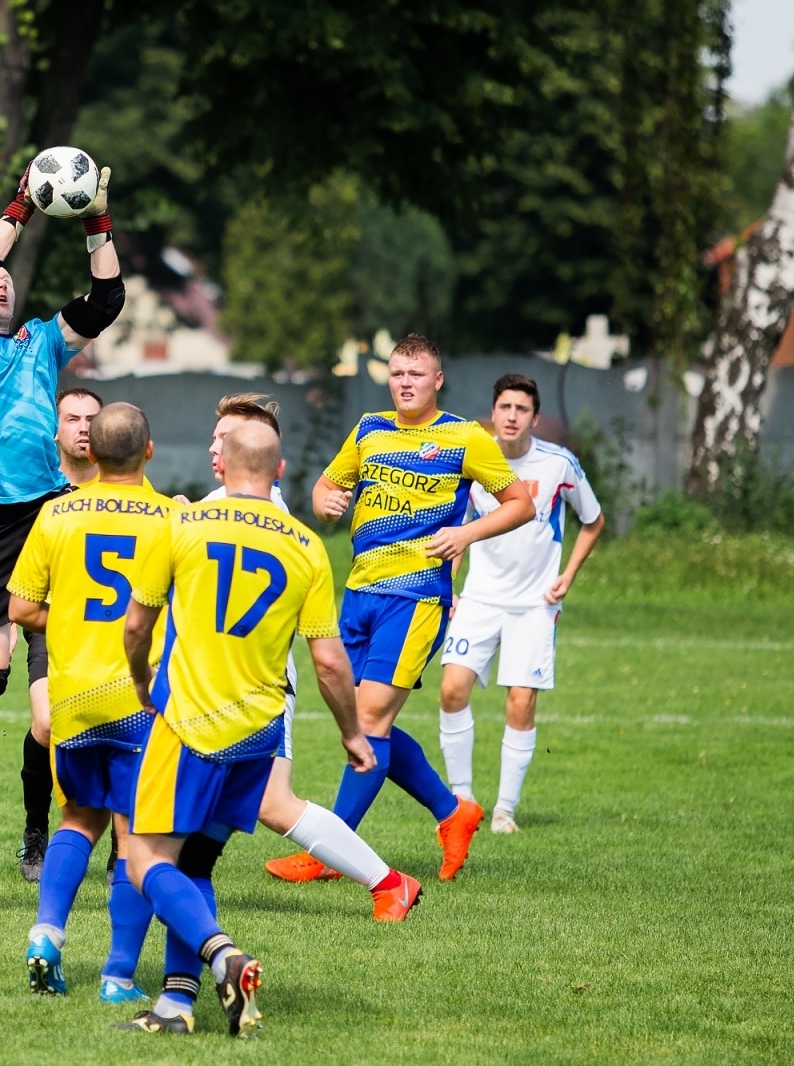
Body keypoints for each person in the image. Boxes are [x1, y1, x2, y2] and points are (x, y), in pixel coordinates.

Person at [119, 422, 376, 1037]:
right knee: (198, 861)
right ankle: (176, 1006)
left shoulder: (181, 526)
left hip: (188, 725)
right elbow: (330, 661)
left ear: (223, 467)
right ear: (280, 469)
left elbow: (135, 625)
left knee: (144, 858)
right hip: (259, 732)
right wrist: (351, 732)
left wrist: (139, 679)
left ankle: (223, 956)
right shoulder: (307, 546)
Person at [269, 334, 535, 883]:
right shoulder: (370, 428)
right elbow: (325, 488)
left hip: (415, 599)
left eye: (416, 374)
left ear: (437, 380)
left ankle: (329, 853)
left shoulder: (464, 436)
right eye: (397, 374)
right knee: (373, 724)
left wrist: (465, 534)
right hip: (359, 593)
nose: (405, 382)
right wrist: (327, 502)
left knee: (366, 721)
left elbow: (521, 504)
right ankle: (452, 811)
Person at [0, 162, 127, 889]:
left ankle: (51, 833)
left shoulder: (40, 341)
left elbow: (107, 298)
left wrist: (93, 220)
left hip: (48, 514)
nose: (1, 282)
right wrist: (20, 207)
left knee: (54, 689)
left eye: (9, 281)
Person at [191, 395, 421, 921]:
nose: (213, 446)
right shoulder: (223, 509)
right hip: (211, 680)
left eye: (222, 438)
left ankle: (388, 882)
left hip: (258, 682)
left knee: (273, 803)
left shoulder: (258, 521)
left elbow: (328, 658)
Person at [7, 402, 169, 1003]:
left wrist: (71, 619)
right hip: (138, 695)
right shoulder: (171, 518)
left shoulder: (57, 515)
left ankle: (46, 934)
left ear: (91, 454)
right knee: (134, 837)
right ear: (148, 451)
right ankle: (117, 976)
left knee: (78, 817)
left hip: (73, 695)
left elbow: (21, 608)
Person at [438, 374, 604, 832]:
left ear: (534, 416)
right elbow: (459, 529)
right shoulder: (474, 461)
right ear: (493, 412)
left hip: (534, 605)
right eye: (505, 407)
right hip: (479, 598)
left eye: (522, 409)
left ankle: (504, 811)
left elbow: (593, 520)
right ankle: (461, 802)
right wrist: (449, 587)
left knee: (520, 702)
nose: (512, 416)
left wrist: (566, 576)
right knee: (452, 689)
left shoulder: (558, 464)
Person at [18, 386, 106, 881]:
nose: (83, 428)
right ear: (56, 429)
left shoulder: (127, 485)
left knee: (120, 731)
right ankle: (36, 835)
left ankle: (121, 848)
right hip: (50, 624)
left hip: (114, 629)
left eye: (92, 419)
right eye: (72, 418)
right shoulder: (35, 492)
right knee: (47, 725)